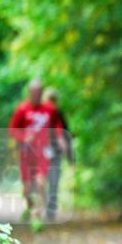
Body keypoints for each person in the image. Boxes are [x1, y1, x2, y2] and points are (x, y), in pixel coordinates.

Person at [8, 79, 65, 221]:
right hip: (26, 153)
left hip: (42, 152)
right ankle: (30, 205)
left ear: (42, 93)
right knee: (27, 189)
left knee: (40, 182)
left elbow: (57, 124)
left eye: (39, 93)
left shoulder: (49, 109)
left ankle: (38, 215)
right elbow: (12, 129)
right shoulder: (22, 109)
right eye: (34, 92)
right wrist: (23, 137)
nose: (36, 95)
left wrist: (59, 138)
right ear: (29, 92)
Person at [43, 87, 73, 222]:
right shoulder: (57, 113)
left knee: (41, 181)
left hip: (42, 153)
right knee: (53, 182)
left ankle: (42, 209)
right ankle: (50, 211)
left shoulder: (42, 112)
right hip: (55, 152)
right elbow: (64, 136)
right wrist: (70, 157)